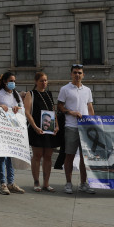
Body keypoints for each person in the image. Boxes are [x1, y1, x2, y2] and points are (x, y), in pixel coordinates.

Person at [58, 64, 96, 195]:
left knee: (85, 157)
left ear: (83, 75)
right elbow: (60, 107)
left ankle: (83, 183)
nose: (77, 75)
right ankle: (68, 183)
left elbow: (90, 108)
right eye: (75, 72)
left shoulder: (87, 90)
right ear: (71, 74)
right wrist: (71, 112)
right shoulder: (65, 89)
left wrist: (93, 123)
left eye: (80, 73)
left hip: (85, 128)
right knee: (69, 155)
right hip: (71, 126)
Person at [0, 71, 25, 195]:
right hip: (1, 129)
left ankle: (11, 182)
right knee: (2, 157)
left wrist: (17, 109)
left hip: (12, 130)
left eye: (14, 81)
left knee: (10, 157)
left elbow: (22, 110)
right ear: (5, 81)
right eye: (10, 81)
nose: (13, 83)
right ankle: (3, 183)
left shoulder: (16, 95)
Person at [23, 72, 59, 192]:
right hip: (36, 129)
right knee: (37, 155)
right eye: (41, 81)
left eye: (45, 80)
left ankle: (46, 183)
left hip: (48, 128)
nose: (44, 83)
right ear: (36, 81)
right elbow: (27, 112)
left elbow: (53, 111)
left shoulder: (49, 94)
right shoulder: (31, 94)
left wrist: (56, 126)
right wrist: (34, 127)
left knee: (48, 156)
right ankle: (36, 181)